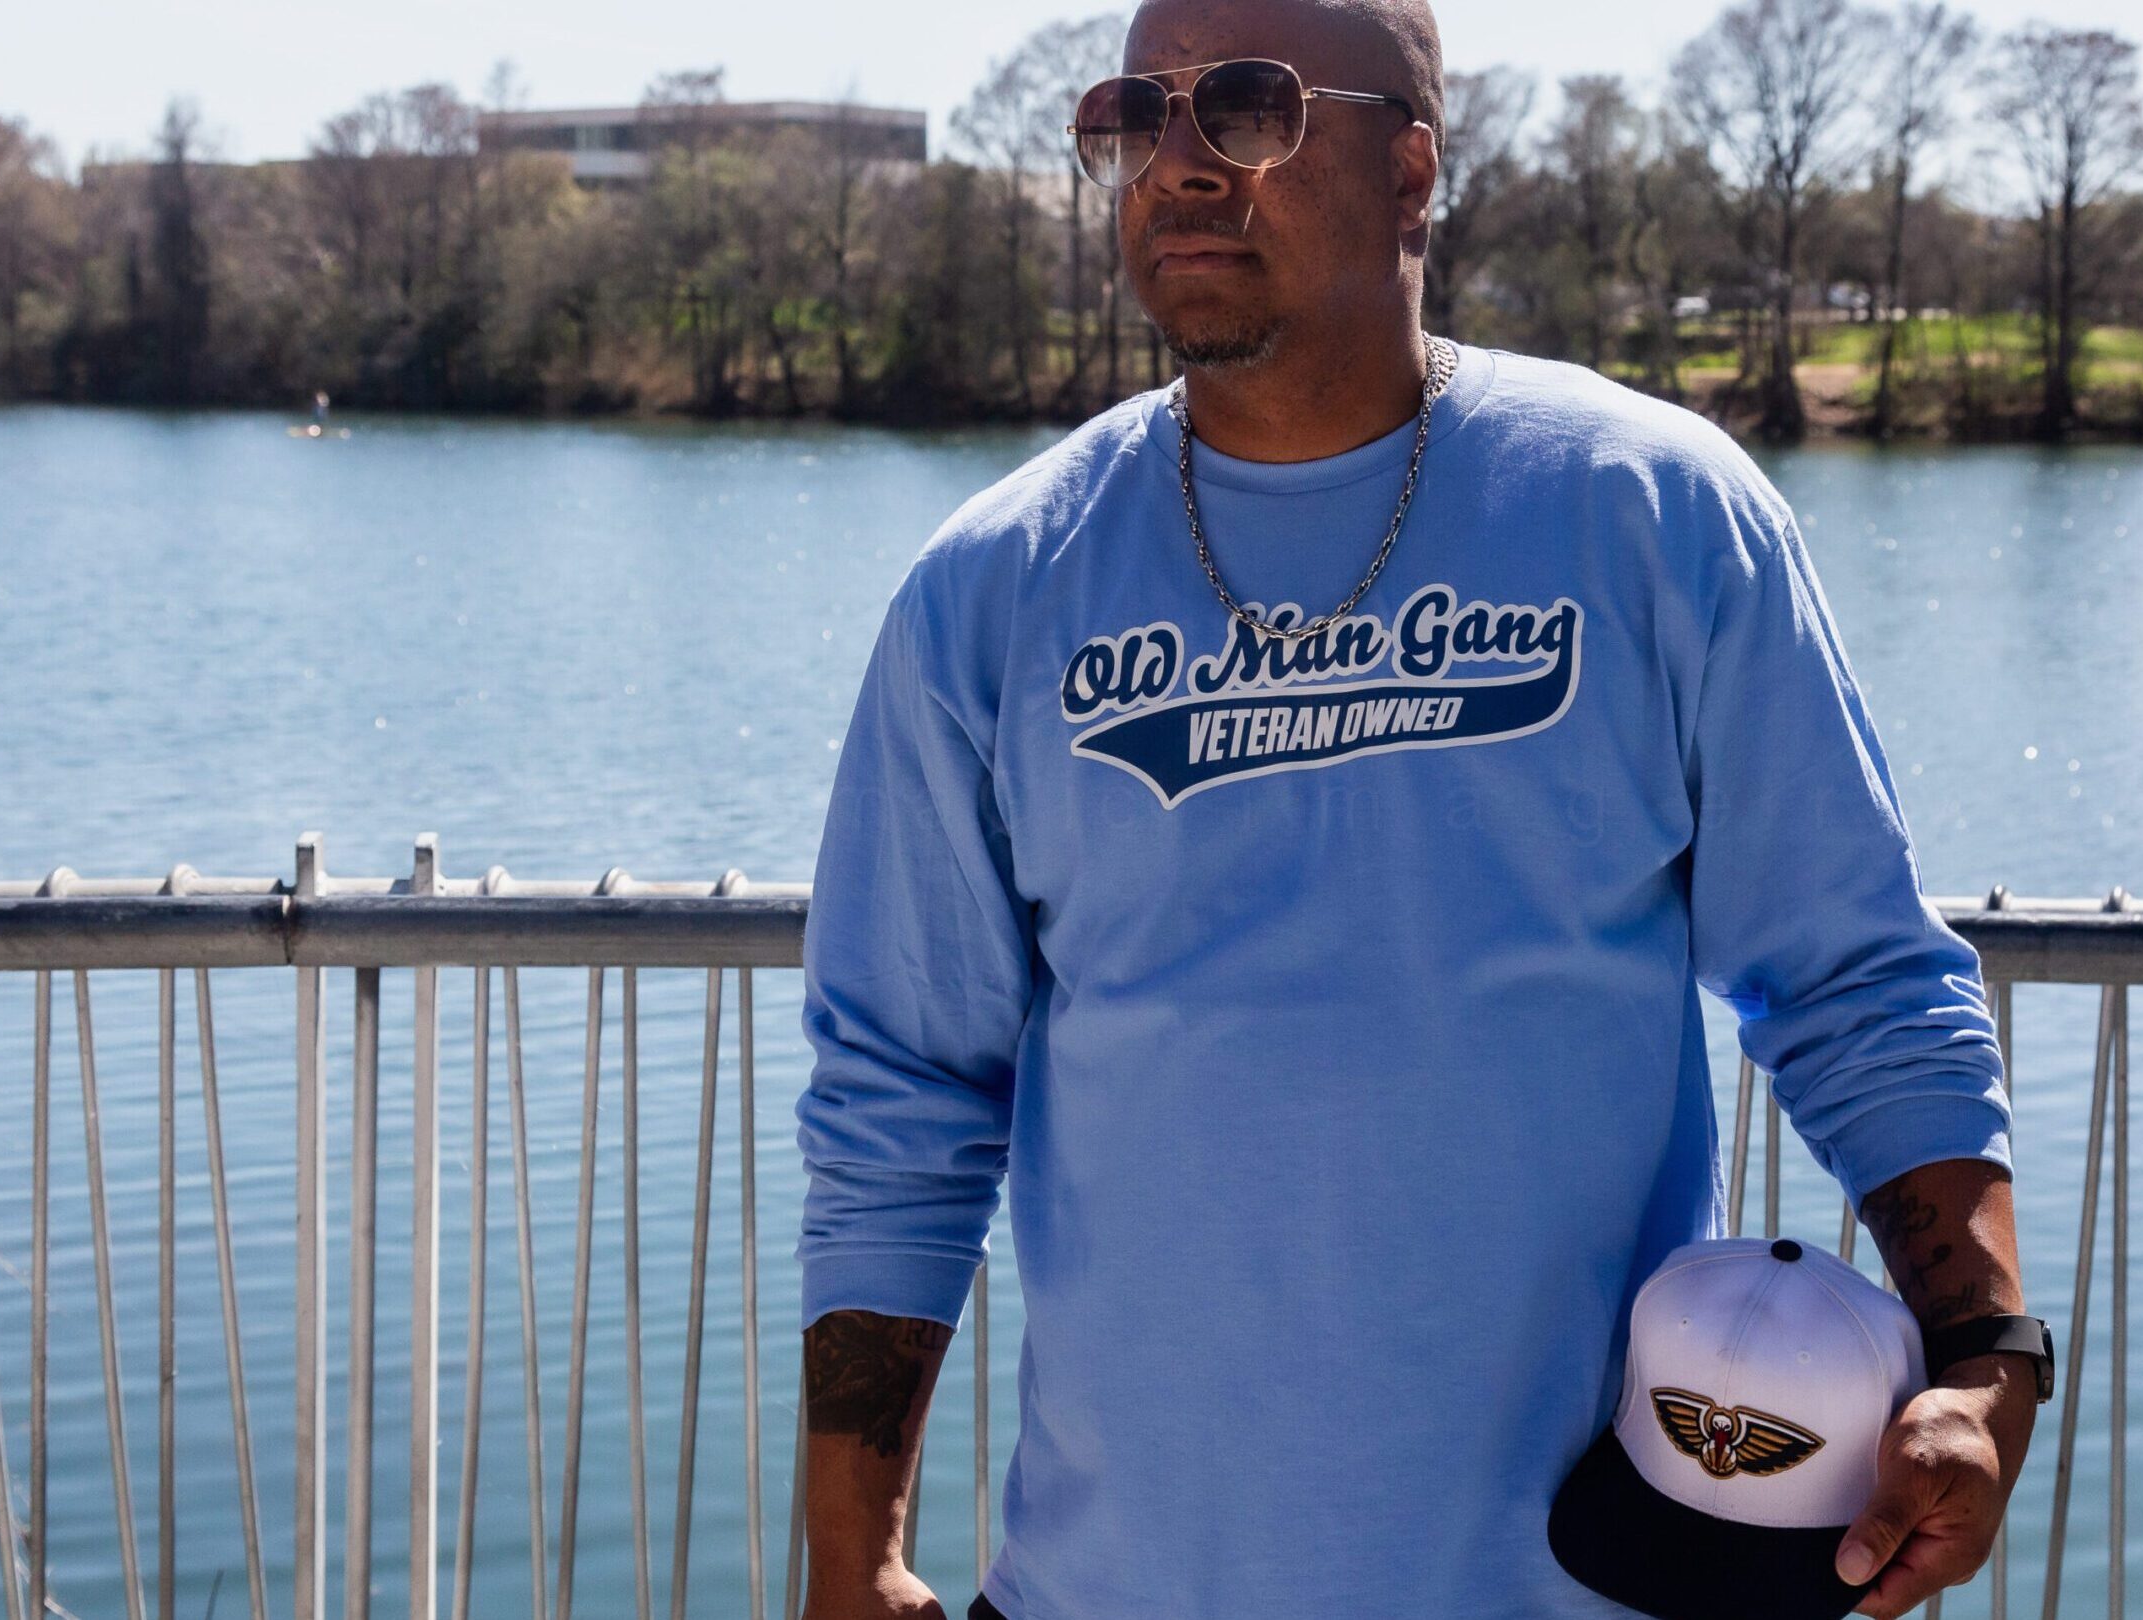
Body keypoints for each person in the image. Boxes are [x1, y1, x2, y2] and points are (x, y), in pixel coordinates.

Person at [793, 1, 2041, 1615]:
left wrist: (1987, 1370)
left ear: (1411, 170)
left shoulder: (1653, 512)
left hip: (1586, 1584)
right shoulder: (990, 589)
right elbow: (903, 1096)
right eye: (1137, 114)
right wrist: (851, 1554)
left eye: (1243, 109)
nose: (1175, 164)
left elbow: (1859, 985)